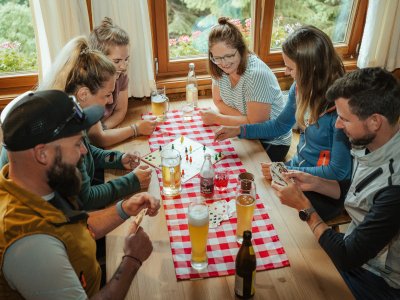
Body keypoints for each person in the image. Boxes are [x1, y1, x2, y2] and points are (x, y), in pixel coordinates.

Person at [0, 90, 161, 299]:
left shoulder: (38, 185)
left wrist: (124, 208)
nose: (84, 151)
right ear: (42, 153)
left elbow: (75, 227)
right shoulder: (30, 244)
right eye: (77, 144)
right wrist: (132, 260)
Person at [272, 67, 400, 299]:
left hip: (380, 281)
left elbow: (346, 256)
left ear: (374, 122)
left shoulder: (395, 187)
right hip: (357, 251)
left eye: (344, 118)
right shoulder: (368, 142)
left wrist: (305, 208)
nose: (338, 125)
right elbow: (351, 192)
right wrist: (315, 182)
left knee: (289, 285)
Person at [215, 26, 352, 220]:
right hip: (296, 170)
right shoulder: (300, 87)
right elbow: (279, 125)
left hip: (324, 189)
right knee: (251, 196)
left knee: (269, 214)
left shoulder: (340, 110)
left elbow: (338, 171)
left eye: (291, 67)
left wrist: (285, 170)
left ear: (311, 68)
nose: (286, 72)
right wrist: (239, 130)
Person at [0, 37, 152, 210]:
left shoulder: (68, 110)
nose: (110, 101)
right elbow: (85, 199)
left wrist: (118, 158)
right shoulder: (59, 130)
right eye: (106, 95)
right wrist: (132, 181)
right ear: (84, 94)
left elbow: (86, 151)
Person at [200, 17, 291, 162]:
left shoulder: (255, 74)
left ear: (241, 50)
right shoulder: (218, 67)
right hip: (243, 131)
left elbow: (256, 126)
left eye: (229, 55)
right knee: (208, 156)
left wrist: (218, 118)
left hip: (271, 142)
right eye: (217, 58)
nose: (223, 63)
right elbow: (218, 101)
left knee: (229, 167)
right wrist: (245, 118)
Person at [88, 17, 156, 147]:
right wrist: (135, 129)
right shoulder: (89, 84)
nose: (124, 66)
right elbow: (97, 139)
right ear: (99, 58)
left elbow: (120, 111)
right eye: (117, 61)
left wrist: (104, 127)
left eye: (126, 59)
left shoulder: (121, 76)